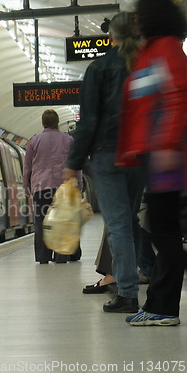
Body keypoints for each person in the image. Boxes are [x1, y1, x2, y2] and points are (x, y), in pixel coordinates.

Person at [63, 12, 146, 313]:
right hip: (140, 156)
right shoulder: (145, 66)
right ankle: (139, 271)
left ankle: (127, 293)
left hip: (107, 155)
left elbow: (89, 120)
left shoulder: (99, 68)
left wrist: (73, 161)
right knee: (131, 218)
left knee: (119, 224)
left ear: (112, 36)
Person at [117, 0, 186, 326]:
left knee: (163, 230)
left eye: (139, 16)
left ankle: (164, 307)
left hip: (165, 155)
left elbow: (177, 97)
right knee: (160, 228)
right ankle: (159, 304)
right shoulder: (155, 49)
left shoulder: (167, 49)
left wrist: (168, 145)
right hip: (157, 152)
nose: (135, 22)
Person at [23, 109, 81, 264]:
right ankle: (61, 256)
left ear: (43, 123)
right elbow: (76, 164)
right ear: (57, 122)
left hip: (40, 188)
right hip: (63, 188)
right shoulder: (68, 140)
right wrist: (79, 186)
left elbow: (27, 167)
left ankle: (43, 257)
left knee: (41, 222)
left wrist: (26, 187)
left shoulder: (34, 141)